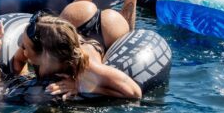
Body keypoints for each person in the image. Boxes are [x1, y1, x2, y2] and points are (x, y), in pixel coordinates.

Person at [9, 11, 142, 100]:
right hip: (76, 18)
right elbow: (18, 62)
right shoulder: (33, 40)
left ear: (45, 56)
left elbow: (134, 93)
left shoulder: (87, 66)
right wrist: (26, 82)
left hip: (106, 29)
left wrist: (80, 86)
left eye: (25, 47)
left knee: (127, 29)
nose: (23, 50)